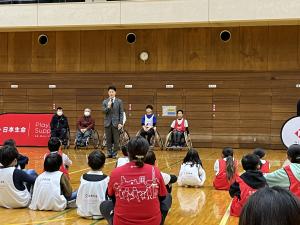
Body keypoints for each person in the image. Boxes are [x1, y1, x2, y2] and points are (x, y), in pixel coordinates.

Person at [100, 136, 167, 225]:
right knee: (168, 198)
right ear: (146, 153)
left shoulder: (116, 172)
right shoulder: (155, 171)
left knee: (104, 205)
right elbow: (162, 196)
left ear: (128, 153)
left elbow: (111, 195)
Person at [144, 150, 177, 225]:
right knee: (167, 195)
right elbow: (174, 178)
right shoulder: (157, 174)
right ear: (155, 162)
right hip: (152, 217)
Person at [76, 150, 109, 219]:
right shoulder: (106, 179)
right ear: (103, 164)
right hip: (101, 213)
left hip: (83, 212)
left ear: (88, 163)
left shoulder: (83, 177)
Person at [102, 85, 124, 159]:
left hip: (116, 124)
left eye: (112, 92)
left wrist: (120, 123)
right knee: (108, 139)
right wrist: (108, 106)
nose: (111, 93)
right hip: (107, 123)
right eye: (110, 92)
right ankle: (109, 153)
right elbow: (104, 112)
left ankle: (115, 154)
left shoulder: (119, 101)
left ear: (115, 93)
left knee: (116, 140)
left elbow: (121, 113)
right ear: (108, 93)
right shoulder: (105, 101)